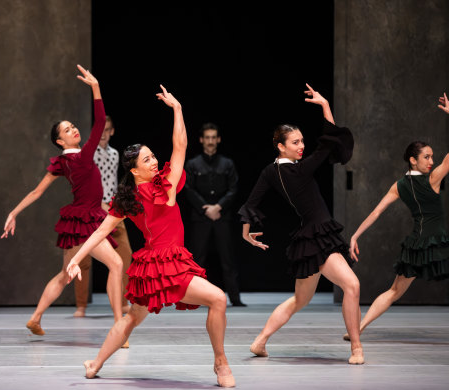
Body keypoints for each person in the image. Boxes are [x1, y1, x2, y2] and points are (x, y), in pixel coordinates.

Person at [65, 85, 236, 388]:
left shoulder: (162, 184)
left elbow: (179, 146)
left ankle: (96, 363)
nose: (154, 161)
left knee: (134, 318)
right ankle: (220, 363)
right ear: (133, 170)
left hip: (154, 268)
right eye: (146, 160)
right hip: (165, 265)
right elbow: (100, 232)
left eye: (153, 156)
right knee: (216, 300)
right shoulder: (141, 195)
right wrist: (76, 258)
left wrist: (178, 109)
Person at [239, 84, 363, 364]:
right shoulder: (301, 169)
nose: (302, 146)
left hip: (307, 239)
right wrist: (325, 106)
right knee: (352, 285)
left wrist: (246, 233)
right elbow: (331, 142)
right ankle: (356, 348)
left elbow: (251, 202)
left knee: (300, 300)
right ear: (281, 145)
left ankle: (260, 341)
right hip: (319, 237)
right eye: (295, 142)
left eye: (302, 141)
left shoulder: (270, 171)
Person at [1, 65, 124, 336]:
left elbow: (37, 192)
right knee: (115, 264)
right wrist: (95, 87)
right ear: (60, 139)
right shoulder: (82, 156)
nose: (74, 129)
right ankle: (118, 326)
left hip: (78, 220)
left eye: (73, 126)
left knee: (66, 274)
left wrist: (13, 212)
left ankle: (35, 318)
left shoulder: (63, 162)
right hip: (87, 220)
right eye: (68, 129)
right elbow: (101, 122)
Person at [344, 93, 449, 340]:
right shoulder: (433, 180)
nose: (431, 161)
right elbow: (377, 212)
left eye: (432, 157)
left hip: (417, 244)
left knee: (393, 291)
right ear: (413, 160)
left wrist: (355, 235)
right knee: (393, 291)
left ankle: (357, 329)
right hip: (436, 243)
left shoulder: (399, 185)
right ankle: (356, 329)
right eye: (427, 157)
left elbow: (377, 211)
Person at [73, 115, 133, 318]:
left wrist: (117, 204)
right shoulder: (87, 154)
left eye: (108, 130)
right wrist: (98, 204)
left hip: (113, 207)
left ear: (112, 131)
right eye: (101, 130)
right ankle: (81, 305)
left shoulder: (115, 154)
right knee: (84, 259)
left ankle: (123, 302)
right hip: (93, 209)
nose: (104, 134)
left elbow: (113, 181)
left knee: (125, 254)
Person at [185, 122, 244, 306]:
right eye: (207, 138)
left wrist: (218, 207)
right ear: (201, 140)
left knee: (228, 258)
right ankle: (194, 299)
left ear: (218, 139)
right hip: (200, 217)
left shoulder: (227, 163)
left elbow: (234, 189)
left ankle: (235, 298)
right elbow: (188, 189)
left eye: (213, 137)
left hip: (221, 216)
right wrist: (205, 208)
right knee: (198, 259)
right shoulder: (193, 164)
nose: (210, 141)